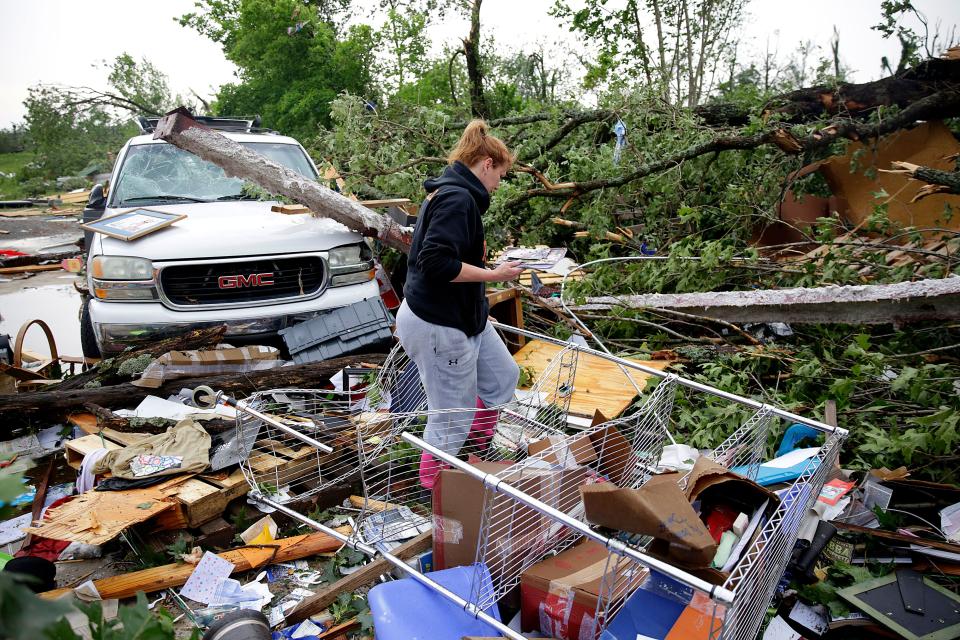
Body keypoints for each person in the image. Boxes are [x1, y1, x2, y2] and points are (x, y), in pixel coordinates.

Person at [395, 119, 524, 488]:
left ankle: (476, 455)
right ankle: (434, 493)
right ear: (486, 164)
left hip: (465, 315)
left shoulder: (454, 194)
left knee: (503, 377)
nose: (499, 184)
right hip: (439, 323)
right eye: (500, 174)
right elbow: (435, 263)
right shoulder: (457, 198)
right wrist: (494, 276)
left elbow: (444, 250)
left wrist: (483, 264)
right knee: (452, 417)